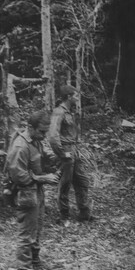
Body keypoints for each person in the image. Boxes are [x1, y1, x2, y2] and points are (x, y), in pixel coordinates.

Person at [6, 110, 59, 270]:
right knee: (27, 231)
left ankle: (35, 261)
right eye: (41, 131)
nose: (44, 135)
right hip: (26, 192)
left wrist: (56, 158)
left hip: (37, 189)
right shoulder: (20, 146)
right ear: (30, 127)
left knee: (37, 226)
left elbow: (42, 156)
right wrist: (42, 178)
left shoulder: (36, 141)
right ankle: (23, 268)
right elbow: (18, 175)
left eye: (45, 131)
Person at [48, 85, 93, 222]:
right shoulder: (59, 112)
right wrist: (62, 153)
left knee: (82, 180)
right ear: (68, 97)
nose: (77, 98)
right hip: (66, 151)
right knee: (65, 184)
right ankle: (64, 215)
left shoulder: (69, 112)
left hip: (74, 150)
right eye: (75, 96)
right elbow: (52, 136)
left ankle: (84, 213)